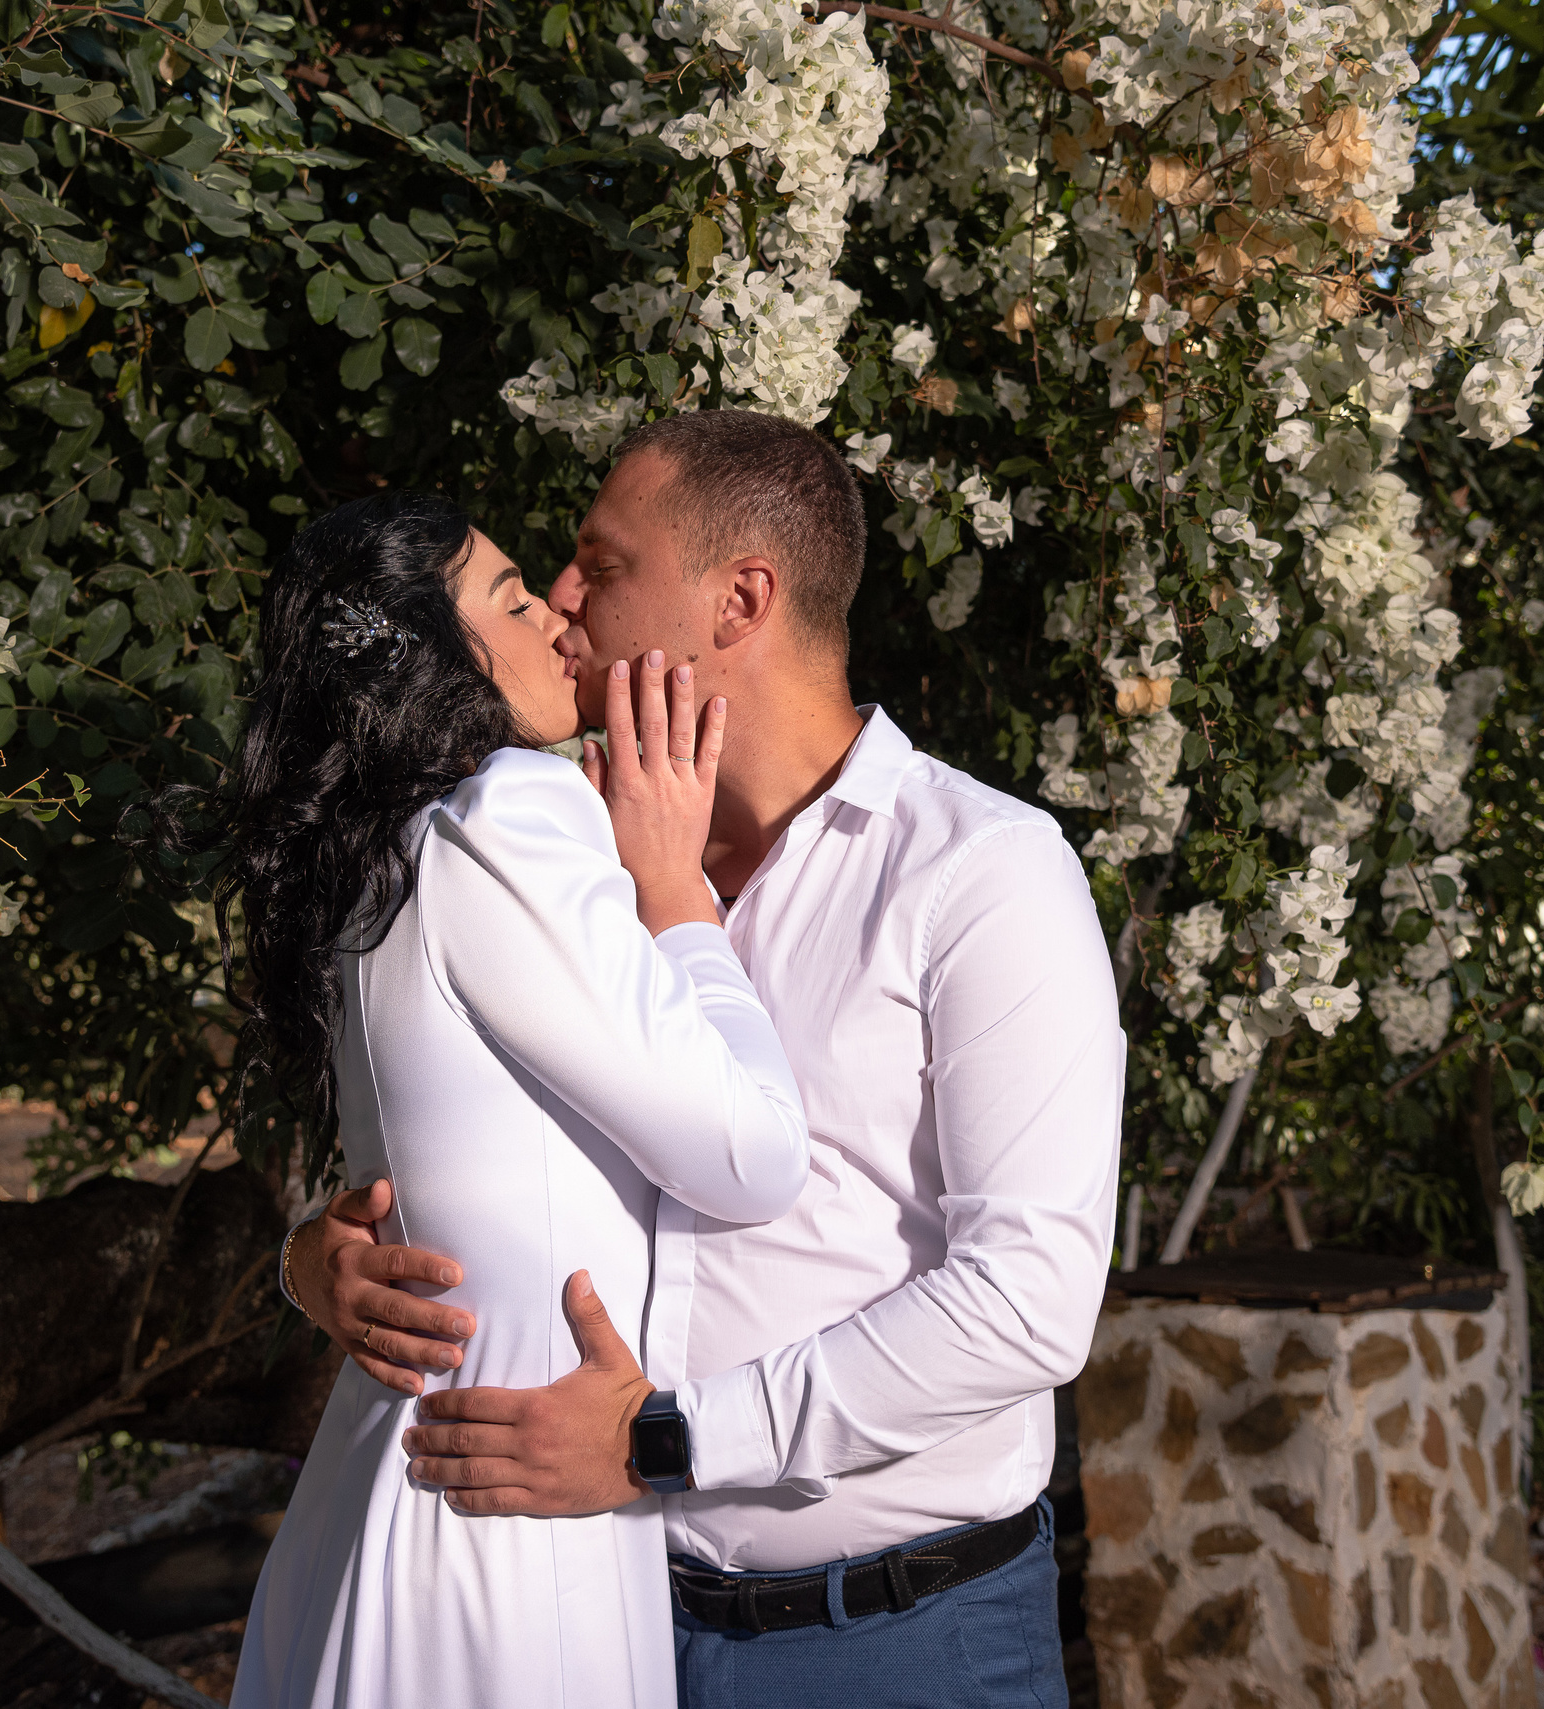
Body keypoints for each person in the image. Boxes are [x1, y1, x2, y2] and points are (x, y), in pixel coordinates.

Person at [280, 412, 1123, 1709]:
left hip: (896, 1637)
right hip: (606, 1619)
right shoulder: (573, 866)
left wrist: (664, 1442)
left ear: (740, 599)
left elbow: (1030, 1296)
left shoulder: (980, 871)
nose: (565, 597)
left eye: (600, 563)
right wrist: (322, 1253)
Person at [205, 491, 814, 1708]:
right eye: (515, 599)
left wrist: (303, 1259)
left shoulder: (384, 844)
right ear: (439, 656)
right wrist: (676, 894)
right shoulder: (507, 812)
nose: (559, 623)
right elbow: (753, 1155)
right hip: (505, 1511)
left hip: (411, 1473)